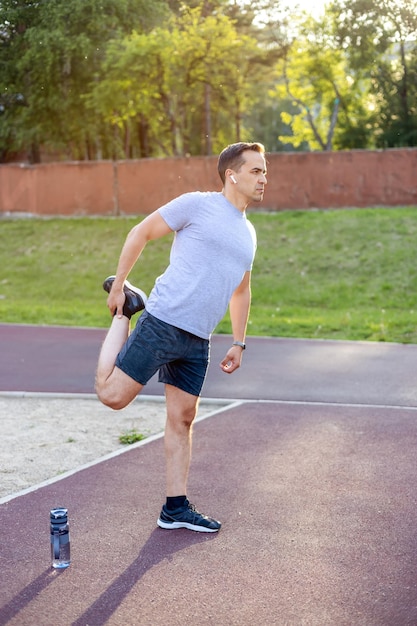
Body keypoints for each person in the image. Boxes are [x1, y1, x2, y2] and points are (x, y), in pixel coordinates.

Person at [95, 141, 267, 532]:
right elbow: (141, 232)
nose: (263, 178)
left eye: (265, 171)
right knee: (113, 397)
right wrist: (119, 286)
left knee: (183, 418)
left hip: (198, 339)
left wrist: (239, 342)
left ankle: (175, 507)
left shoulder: (249, 233)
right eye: (256, 171)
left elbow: (242, 289)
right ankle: (125, 314)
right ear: (232, 174)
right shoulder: (197, 205)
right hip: (163, 322)